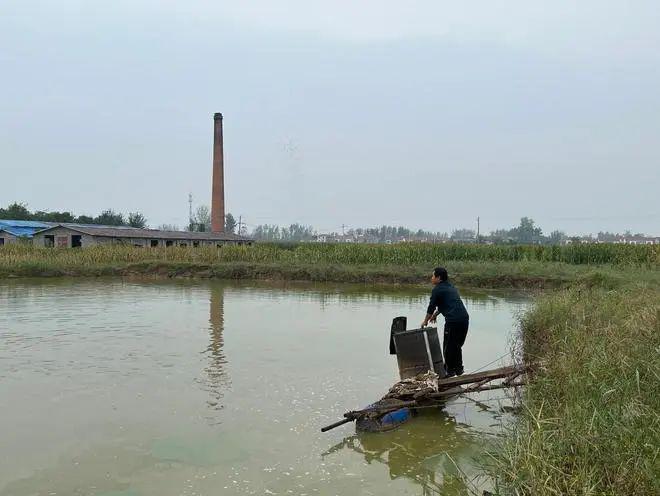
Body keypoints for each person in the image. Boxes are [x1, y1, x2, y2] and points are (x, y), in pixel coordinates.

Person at [421, 267, 469, 377]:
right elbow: (446, 304)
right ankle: (458, 370)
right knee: (456, 346)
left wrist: (425, 321)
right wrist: (435, 315)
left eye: (433, 276)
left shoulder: (437, 290)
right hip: (464, 319)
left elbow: (431, 307)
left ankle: (449, 372)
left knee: (448, 346)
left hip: (453, 321)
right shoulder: (450, 287)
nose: (431, 278)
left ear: (438, 278)